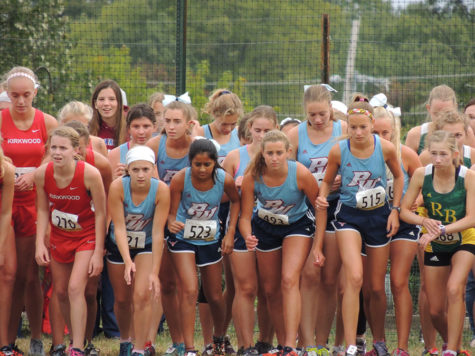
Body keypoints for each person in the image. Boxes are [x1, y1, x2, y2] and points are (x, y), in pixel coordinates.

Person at [313, 95, 403, 356]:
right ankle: (351, 345)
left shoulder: (384, 148)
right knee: (353, 277)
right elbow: (327, 181)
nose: (358, 132)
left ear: (372, 123)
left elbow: (398, 177)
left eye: (363, 127)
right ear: (347, 127)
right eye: (353, 127)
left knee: (375, 286)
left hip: (378, 216)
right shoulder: (338, 150)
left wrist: (395, 210)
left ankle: (380, 341)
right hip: (349, 216)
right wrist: (322, 194)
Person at [240, 130, 318, 356]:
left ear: (288, 152)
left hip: (297, 225)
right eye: (270, 153)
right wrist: (247, 235)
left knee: (288, 279)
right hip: (265, 228)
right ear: (262, 154)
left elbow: (320, 207)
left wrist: (319, 243)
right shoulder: (252, 177)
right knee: (271, 290)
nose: (274, 158)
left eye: (279, 153)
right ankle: (284, 343)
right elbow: (245, 217)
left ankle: (292, 346)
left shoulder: (300, 174)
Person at [400, 130, 475, 356]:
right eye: (434, 154)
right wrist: (424, 220)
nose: (438, 159)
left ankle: (451, 350)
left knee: (455, 288)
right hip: (435, 242)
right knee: (434, 310)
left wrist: (441, 229)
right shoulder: (422, 175)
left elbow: (472, 218)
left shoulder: (467, 177)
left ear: (454, 153)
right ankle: (455, 345)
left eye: (443, 154)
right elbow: (404, 211)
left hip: (464, 238)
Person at [1, 66, 58, 356]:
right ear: (6, 94)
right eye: (14, 96)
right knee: (7, 275)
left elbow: (55, 155)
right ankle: (6, 342)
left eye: (26, 95)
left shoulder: (46, 121)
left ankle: (36, 337)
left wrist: (36, 172)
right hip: (4, 204)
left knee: (29, 274)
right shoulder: (0, 120)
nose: (21, 101)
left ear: (35, 93)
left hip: (33, 204)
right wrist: (8, 173)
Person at [35, 126, 106, 356]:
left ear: (76, 150)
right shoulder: (42, 174)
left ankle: (76, 347)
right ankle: (76, 341)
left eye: (63, 148)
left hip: (85, 237)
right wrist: (39, 243)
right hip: (59, 238)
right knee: (62, 292)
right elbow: (43, 210)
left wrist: (98, 252)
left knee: (76, 288)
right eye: (53, 147)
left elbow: (101, 214)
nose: (57, 152)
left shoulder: (90, 174)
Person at [287, 84, 346, 356]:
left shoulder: (343, 130)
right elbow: (287, 173)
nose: (318, 119)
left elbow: (360, 162)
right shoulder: (296, 134)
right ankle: (306, 342)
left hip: (338, 207)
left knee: (329, 277)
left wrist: (342, 179)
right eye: (312, 115)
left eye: (322, 113)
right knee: (309, 274)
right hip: (307, 208)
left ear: (331, 109)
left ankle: (321, 343)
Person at [167, 138, 240, 356]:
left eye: (207, 164)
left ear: (215, 163)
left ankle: (218, 338)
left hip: (210, 239)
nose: (201, 169)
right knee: (189, 290)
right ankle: (189, 348)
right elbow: (171, 212)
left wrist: (230, 233)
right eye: (197, 164)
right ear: (190, 163)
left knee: (215, 295)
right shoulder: (180, 179)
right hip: (183, 238)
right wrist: (171, 221)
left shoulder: (223, 179)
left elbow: (236, 201)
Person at [222, 106, 279, 355]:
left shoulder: (282, 157)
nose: (262, 134)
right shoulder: (234, 157)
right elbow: (218, 196)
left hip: (272, 227)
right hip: (239, 225)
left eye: (268, 130)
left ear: (276, 130)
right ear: (249, 130)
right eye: (258, 130)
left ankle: (266, 342)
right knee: (245, 288)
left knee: (269, 289)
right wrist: (233, 189)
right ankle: (245, 345)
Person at [107, 145, 170, 356]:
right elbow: (119, 226)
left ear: (153, 169)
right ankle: (125, 340)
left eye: (145, 169)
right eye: (135, 170)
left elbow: (159, 231)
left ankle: (139, 348)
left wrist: (154, 272)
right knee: (122, 299)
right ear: (128, 170)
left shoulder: (161, 189)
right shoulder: (117, 187)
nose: (141, 175)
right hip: (119, 244)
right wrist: (127, 261)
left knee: (142, 295)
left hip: (147, 243)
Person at [146, 100, 196, 356]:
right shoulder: (155, 145)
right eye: (167, 121)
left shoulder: (196, 147)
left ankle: (200, 340)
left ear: (188, 123)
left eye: (177, 121)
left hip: (192, 220)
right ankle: (177, 341)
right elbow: (154, 188)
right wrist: (166, 219)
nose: (171, 126)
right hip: (163, 219)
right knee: (167, 283)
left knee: (189, 285)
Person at [371, 105, 422, 356]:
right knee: (374, 285)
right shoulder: (360, 154)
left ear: (394, 131)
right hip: (373, 223)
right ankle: (379, 343)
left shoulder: (407, 155)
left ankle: (402, 347)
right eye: (375, 132)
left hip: (404, 222)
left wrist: (417, 201)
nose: (381, 138)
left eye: (386, 132)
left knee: (399, 280)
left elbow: (424, 184)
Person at [405, 85, 475, 154]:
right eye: (436, 114)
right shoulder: (416, 135)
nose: (441, 118)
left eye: (447, 113)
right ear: (429, 108)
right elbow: (408, 164)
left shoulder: (466, 133)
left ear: (455, 107)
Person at [109, 104, 156, 180]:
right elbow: (108, 188)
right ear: (128, 128)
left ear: (154, 127)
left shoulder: (161, 151)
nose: (141, 132)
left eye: (146, 126)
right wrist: (116, 179)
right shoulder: (115, 155)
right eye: (136, 126)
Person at [0, 144, 16, 356]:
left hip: (2, 221)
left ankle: (4, 344)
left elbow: (5, 213)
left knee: (8, 275)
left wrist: (1, 247)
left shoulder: (7, 169)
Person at [89, 80, 126, 151]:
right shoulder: (88, 129)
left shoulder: (130, 128)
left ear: (119, 104)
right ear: (95, 104)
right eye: (101, 99)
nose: (106, 103)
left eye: (111, 99)